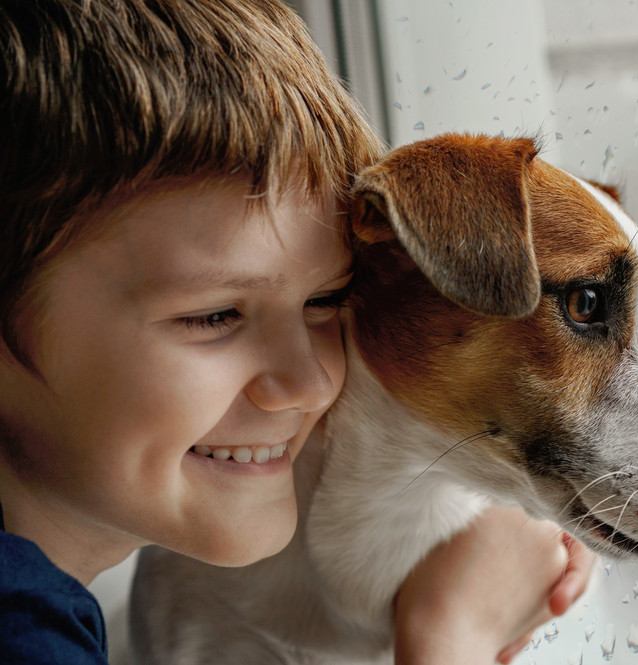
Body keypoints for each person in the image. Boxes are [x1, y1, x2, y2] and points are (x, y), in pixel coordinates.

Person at [0, 1, 594, 664]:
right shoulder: (21, 631)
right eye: (214, 316)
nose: (308, 381)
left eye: (327, 300)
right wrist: (452, 636)